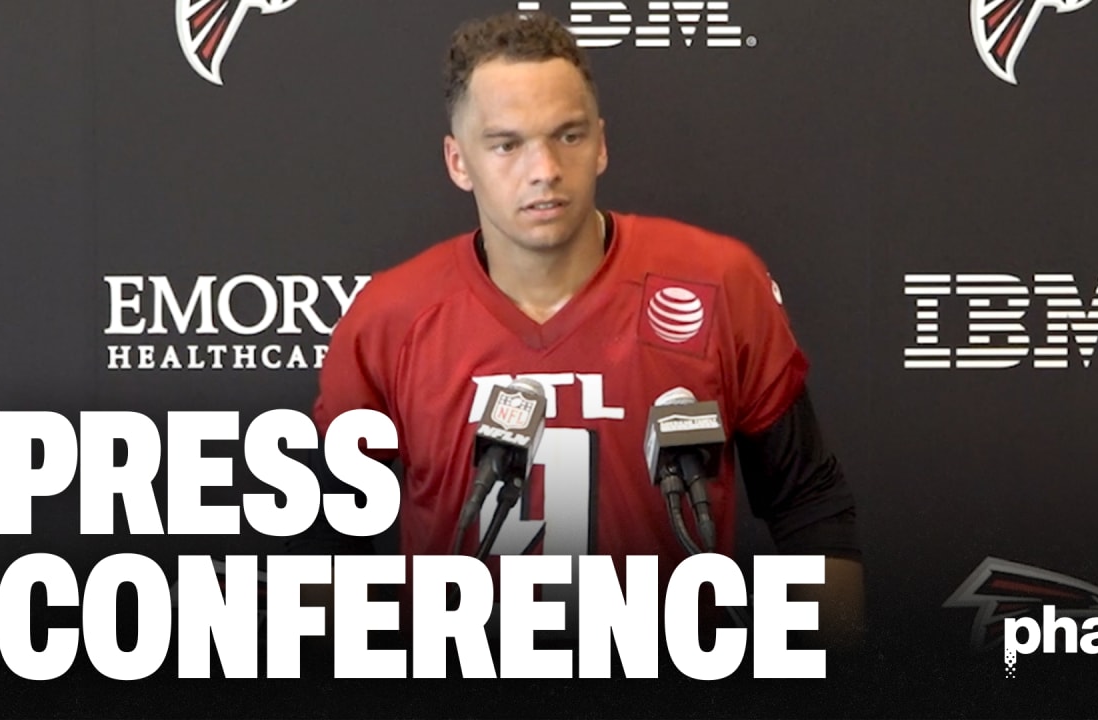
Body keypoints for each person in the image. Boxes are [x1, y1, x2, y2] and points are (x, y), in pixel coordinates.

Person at [297, 10, 864, 654]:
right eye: (506, 144)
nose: (543, 169)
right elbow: (325, 545)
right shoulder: (389, 318)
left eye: (566, 136)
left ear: (600, 143)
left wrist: (833, 675)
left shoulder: (718, 283)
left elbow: (809, 505)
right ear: (459, 161)